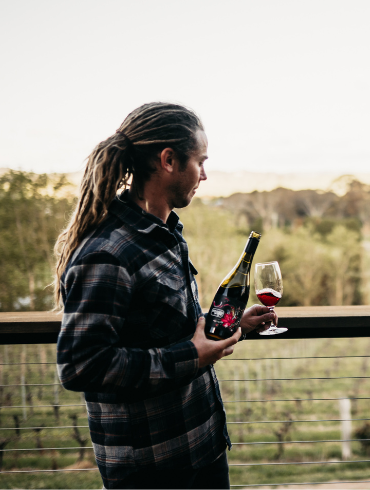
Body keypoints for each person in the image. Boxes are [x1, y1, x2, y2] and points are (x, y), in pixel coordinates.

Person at [53, 102, 277, 489]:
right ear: (169, 160)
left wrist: (231, 325)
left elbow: (162, 324)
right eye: (200, 162)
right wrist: (191, 356)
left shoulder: (166, 232)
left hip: (201, 448)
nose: (205, 175)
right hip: (152, 471)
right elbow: (81, 365)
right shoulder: (108, 252)